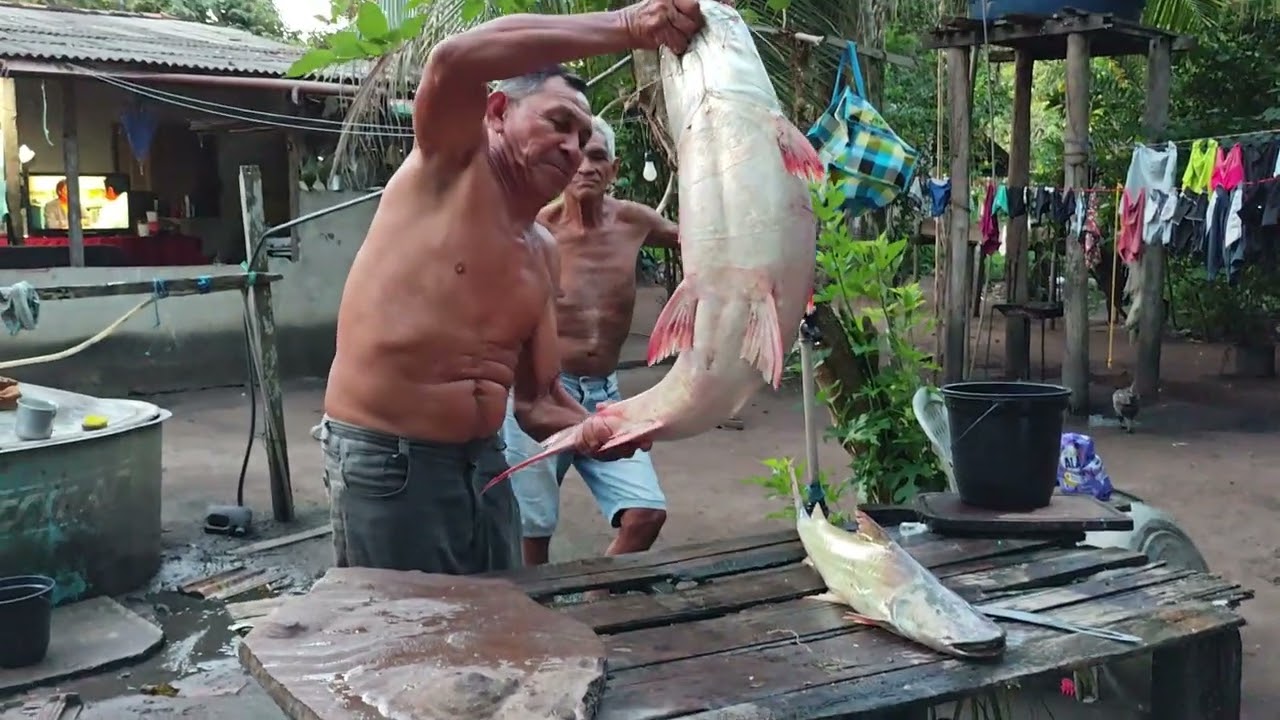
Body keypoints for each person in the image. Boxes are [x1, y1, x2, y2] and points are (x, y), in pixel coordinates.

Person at [318, 0, 706, 577]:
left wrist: (604, 430)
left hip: (484, 464)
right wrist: (629, 28)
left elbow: (538, 401)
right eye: (558, 122)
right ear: (497, 111)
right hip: (389, 463)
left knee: (497, 630)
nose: (573, 147)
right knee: (403, 649)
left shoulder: (541, 252)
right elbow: (454, 60)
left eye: (582, 135)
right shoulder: (449, 165)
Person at [500, 116, 681, 566]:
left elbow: (702, 245)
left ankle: (596, 600)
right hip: (538, 393)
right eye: (577, 156)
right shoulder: (533, 228)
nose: (586, 166)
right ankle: (538, 623)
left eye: (597, 156)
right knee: (532, 529)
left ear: (614, 169)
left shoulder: (635, 222)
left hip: (605, 394)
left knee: (646, 514)